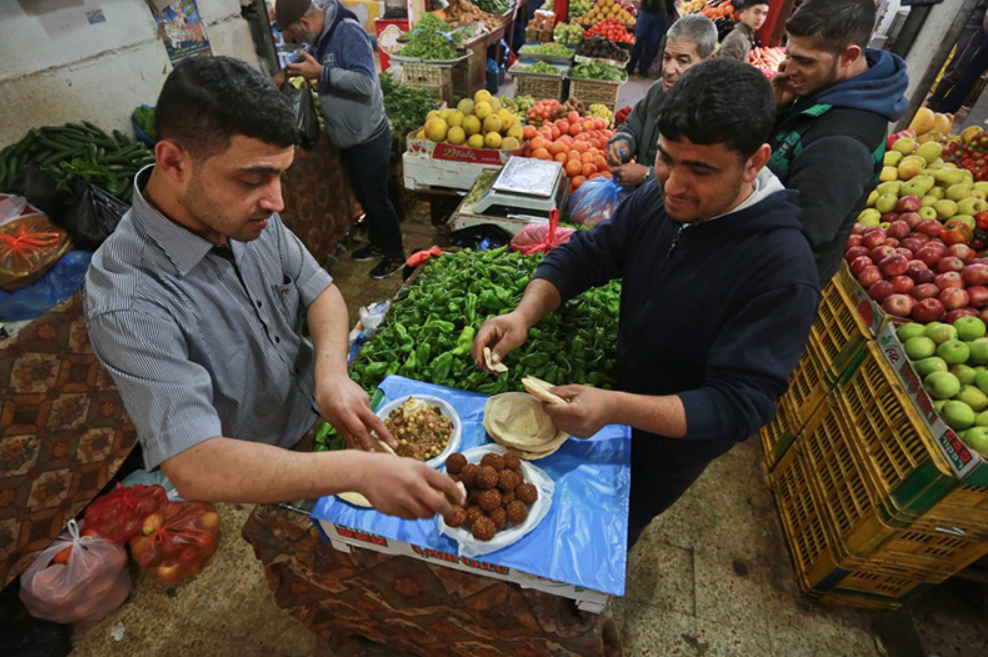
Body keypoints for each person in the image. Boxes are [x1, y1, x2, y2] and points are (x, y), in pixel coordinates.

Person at [84, 57, 462, 519]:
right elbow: (194, 463)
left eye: (281, 174)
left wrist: (331, 376)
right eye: (252, 179)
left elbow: (318, 291)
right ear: (173, 162)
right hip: (260, 472)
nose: (277, 201)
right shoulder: (127, 297)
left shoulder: (249, 219)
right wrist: (356, 471)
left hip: (320, 420)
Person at [473, 59, 820, 547]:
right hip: (618, 394)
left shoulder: (783, 272)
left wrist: (617, 408)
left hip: (670, 447)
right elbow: (590, 255)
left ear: (755, 162)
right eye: (665, 158)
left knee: (611, 531)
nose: (674, 184)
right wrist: (523, 314)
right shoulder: (660, 198)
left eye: (700, 170)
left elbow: (740, 403)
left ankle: (581, 604)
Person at [768, 0, 908, 284]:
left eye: (805, 61)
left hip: (771, 283)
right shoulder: (823, 88)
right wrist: (776, 111)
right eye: (790, 54)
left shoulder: (842, 145)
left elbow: (792, 242)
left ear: (849, 56)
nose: (789, 68)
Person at [279, 0, 406, 279]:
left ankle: (396, 254)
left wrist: (321, 73)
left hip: (369, 134)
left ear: (303, 24)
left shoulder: (347, 32)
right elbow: (313, 62)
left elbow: (365, 83)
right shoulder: (320, 38)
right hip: (346, 136)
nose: (296, 38)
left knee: (376, 198)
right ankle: (378, 242)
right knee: (362, 195)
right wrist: (289, 71)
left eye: (293, 33)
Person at [607, 14, 718, 187]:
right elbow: (632, 126)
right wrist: (623, 143)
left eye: (682, 61)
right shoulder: (659, 89)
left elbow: (704, 180)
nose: (668, 69)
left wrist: (648, 175)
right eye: (666, 58)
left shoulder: (713, 113)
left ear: (708, 63)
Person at [926, 0, 988, 112]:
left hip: (973, 22)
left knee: (958, 66)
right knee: (958, 66)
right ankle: (935, 100)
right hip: (976, 26)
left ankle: (936, 99)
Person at [627, 0, 675, 78]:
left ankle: (644, 67)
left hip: (660, 14)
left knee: (653, 43)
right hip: (645, 11)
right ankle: (631, 66)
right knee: (638, 39)